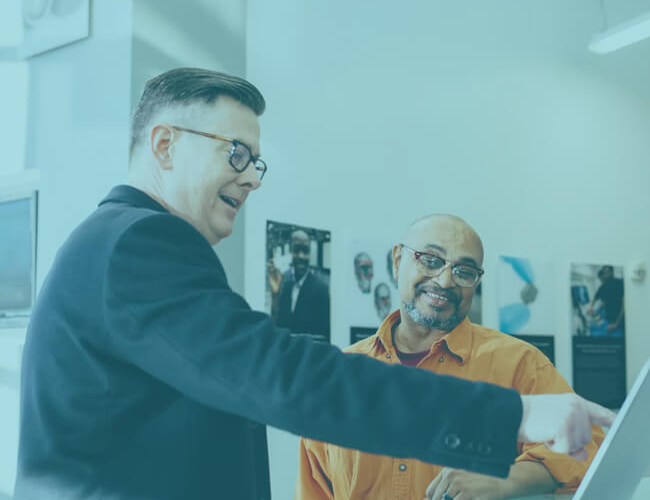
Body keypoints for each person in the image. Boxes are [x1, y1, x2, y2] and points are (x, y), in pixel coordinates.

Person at [15, 68, 614, 500]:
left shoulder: (115, 244)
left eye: (257, 161)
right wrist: (512, 416)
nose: (251, 179)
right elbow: (287, 378)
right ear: (164, 144)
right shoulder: (139, 244)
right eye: (237, 154)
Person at [296, 215, 606, 500]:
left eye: (464, 271)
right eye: (430, 260)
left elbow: (589, 447)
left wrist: (508, 477)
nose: (445, 281)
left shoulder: (519, 364)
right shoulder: (337, 377)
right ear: (397, 260)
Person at [267, 229, 330, 340]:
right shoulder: (286, 287)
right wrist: (275, 295)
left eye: (305, 251)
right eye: (296, 250)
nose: (301, 256)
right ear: (290, 252)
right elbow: (278, 327)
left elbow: (324, 336)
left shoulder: (321, 290)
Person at [587, 265, 625, 336]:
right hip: (609, 321)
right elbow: (596, 298)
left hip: (619, 322)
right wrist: (591, 308)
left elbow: (624, 305)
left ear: (612, 272)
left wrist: (616, 324)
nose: (606, 275)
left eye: (607, 272)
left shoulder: (620, 283)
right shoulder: (603, 286)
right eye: (604, 273)